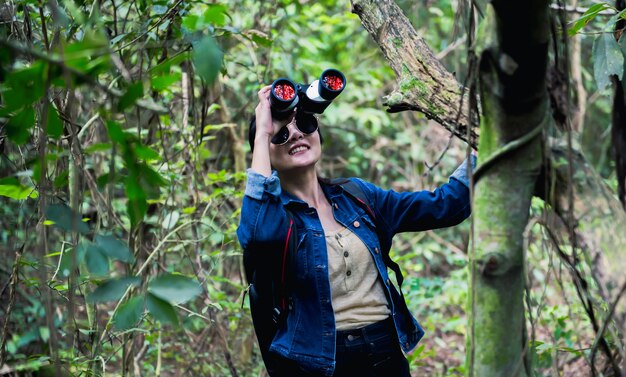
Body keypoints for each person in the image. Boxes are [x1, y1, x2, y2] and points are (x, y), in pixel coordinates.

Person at [237, 85, 476, 377]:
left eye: (305, 124)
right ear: (265, 154)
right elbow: (256, 235)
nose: (297, 134)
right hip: (319, 365)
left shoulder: (356, 197)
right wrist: (262, 133)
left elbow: (446, 206)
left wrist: (484, 144)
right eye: (281, 133)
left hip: (385, 354)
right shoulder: (275, 220)